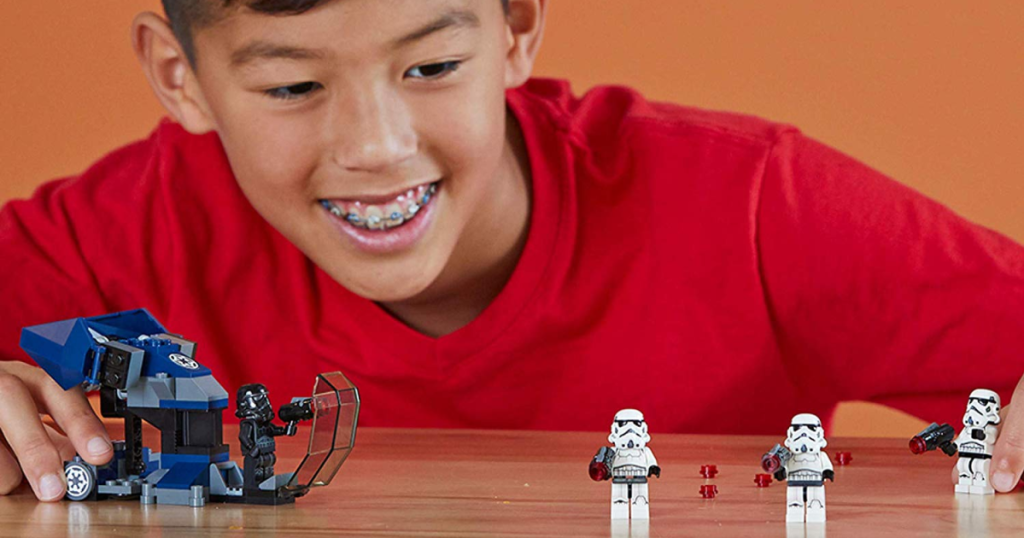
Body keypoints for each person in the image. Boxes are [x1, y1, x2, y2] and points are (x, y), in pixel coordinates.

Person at [0, 0, 1022, 503]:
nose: (375, 145)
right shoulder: (129, 232)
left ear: (518, 27)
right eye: (289, 88)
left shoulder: (749, 205)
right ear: (180, 76)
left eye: (434, 64)